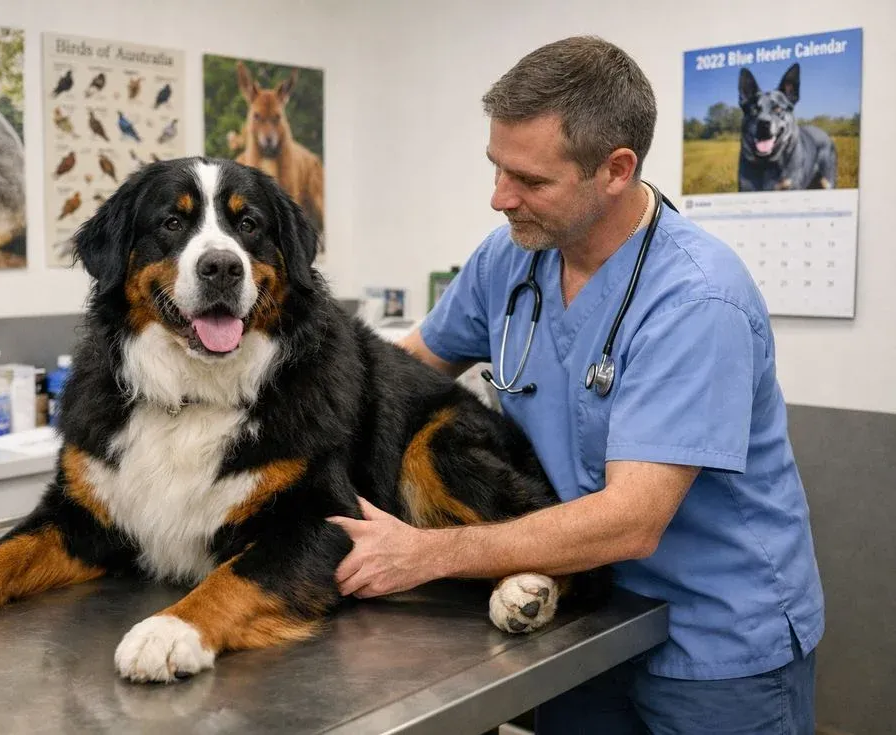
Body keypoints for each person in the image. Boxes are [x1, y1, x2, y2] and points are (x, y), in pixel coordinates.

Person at [327, 36, 824, 733]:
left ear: (616, 170)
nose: (499, 198)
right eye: (497, 167)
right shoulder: (509, 260)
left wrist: (424, 553)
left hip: (716, 635)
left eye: (530, 181)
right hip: (582, 615)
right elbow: (392, 379)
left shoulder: (697, 299)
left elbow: (631, 519)